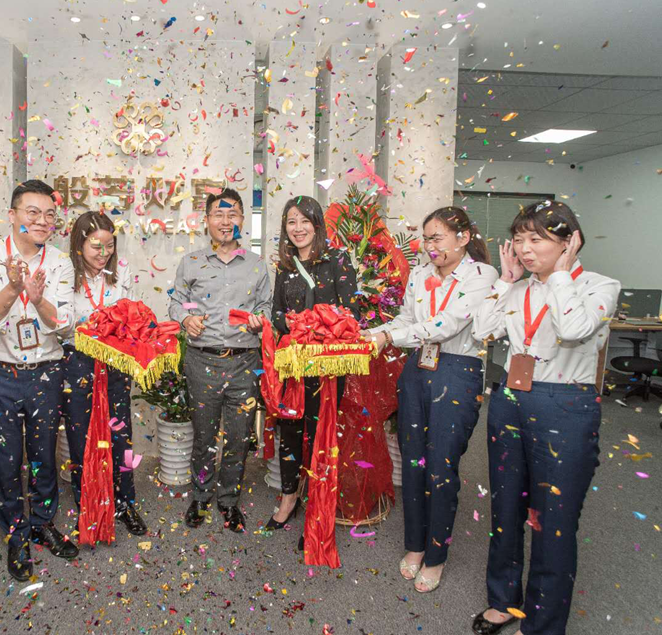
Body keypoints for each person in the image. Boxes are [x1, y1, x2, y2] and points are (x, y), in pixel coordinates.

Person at [470, 200, 619, 635]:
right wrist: (504, 282)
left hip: (565, 405)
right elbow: (481, 330)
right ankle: (503, 600)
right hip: (510, 400)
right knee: (505, 507)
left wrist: (559, 277)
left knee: (553, 519)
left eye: (536, 239)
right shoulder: (518, 288)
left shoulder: (599, 286)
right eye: (519, 239)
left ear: (570, 241)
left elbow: (573, 329)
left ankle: (541, 624)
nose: (524, 249)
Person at [363, 206, 497, 593]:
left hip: (457, 371)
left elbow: (447, 324)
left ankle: (436, 555)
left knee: (441, 467)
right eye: (426, 238)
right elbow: (407, 320)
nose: (429, 246)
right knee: (413, 461)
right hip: (417, 369)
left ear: (464, 237)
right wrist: (370, 332)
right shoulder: (420, 274)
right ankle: (415, 544)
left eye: (437, 238)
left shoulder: (482, 275)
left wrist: (389, 337)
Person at [0, 179, 78, 581]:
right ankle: (15, 533)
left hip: (46, 372)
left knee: (43, 455)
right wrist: (13, 287)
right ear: (12, 215)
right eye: (32, 212)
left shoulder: (60, 262)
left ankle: (43, 523)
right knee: (6, 459)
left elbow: (65, 323)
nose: (42, 221)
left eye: (49, 214)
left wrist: (36, 298)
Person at [169, 188, 272, 533]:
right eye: (219, 214)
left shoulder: (257, 264)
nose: (226, 221)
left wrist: (260, 318)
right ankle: (200, 496)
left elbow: (266, 305)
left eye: (233, 214)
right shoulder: (191, 262)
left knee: (239, 436)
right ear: (207, 220)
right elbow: (177, 302)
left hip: (245, 362)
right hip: (202, 361)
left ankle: (228, 500)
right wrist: (186, 318)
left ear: (243, 219)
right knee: (203, 434)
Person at [265, 196, 359, 552]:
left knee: (321, 436)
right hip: (292, 366)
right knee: (289, 432)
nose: (298, 228)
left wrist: (310, 325)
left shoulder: (337, 260)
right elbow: (276, 312)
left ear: (317, 224)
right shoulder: (285, 266)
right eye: (291, 222)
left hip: (326, 368)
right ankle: (289, 498)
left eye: (305, 221)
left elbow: (350, 313)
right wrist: (289, 324)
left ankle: (318, 510)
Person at [62, 211, 147, 536]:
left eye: (109, 246)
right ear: (79, 244)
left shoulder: (120, 271)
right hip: (78, 362)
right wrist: (93, 324)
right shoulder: (65, 273)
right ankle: (87, 503)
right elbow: (62, 324)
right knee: (81, 436)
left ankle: (125, 502)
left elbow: (132, 311)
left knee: (120, 435)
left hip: (115, 362)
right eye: (96, 246)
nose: (104, 253)